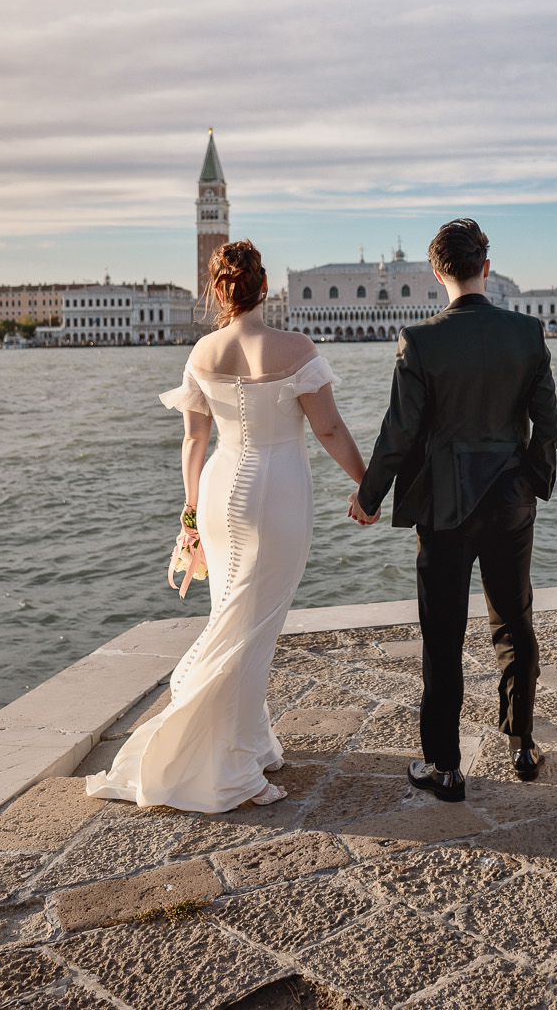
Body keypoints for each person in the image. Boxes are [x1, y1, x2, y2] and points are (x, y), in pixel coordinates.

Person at [85, 240, 368, 812]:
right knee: (254, 626)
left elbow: (194, 440)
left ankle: (250, 741)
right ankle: (232, 766)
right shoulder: (295, 347)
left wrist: (189, 514)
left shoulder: (201, 352)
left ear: (219, 291)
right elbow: (330, 430)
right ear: (263, 286)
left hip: (218, 490)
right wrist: (367, 482)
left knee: (233, 616)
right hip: (279, 491)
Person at [350, 218, 557, 801]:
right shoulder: (528, 332)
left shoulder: (420, 342)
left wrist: (369, 498)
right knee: (514, 621)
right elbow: (547, 425)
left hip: (444, 509)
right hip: (511, 502)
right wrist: (532, 484)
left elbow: (398, 434)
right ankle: (521, 744)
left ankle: (444, 768)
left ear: (438, 272)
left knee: (442, 636)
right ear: (485, 268)